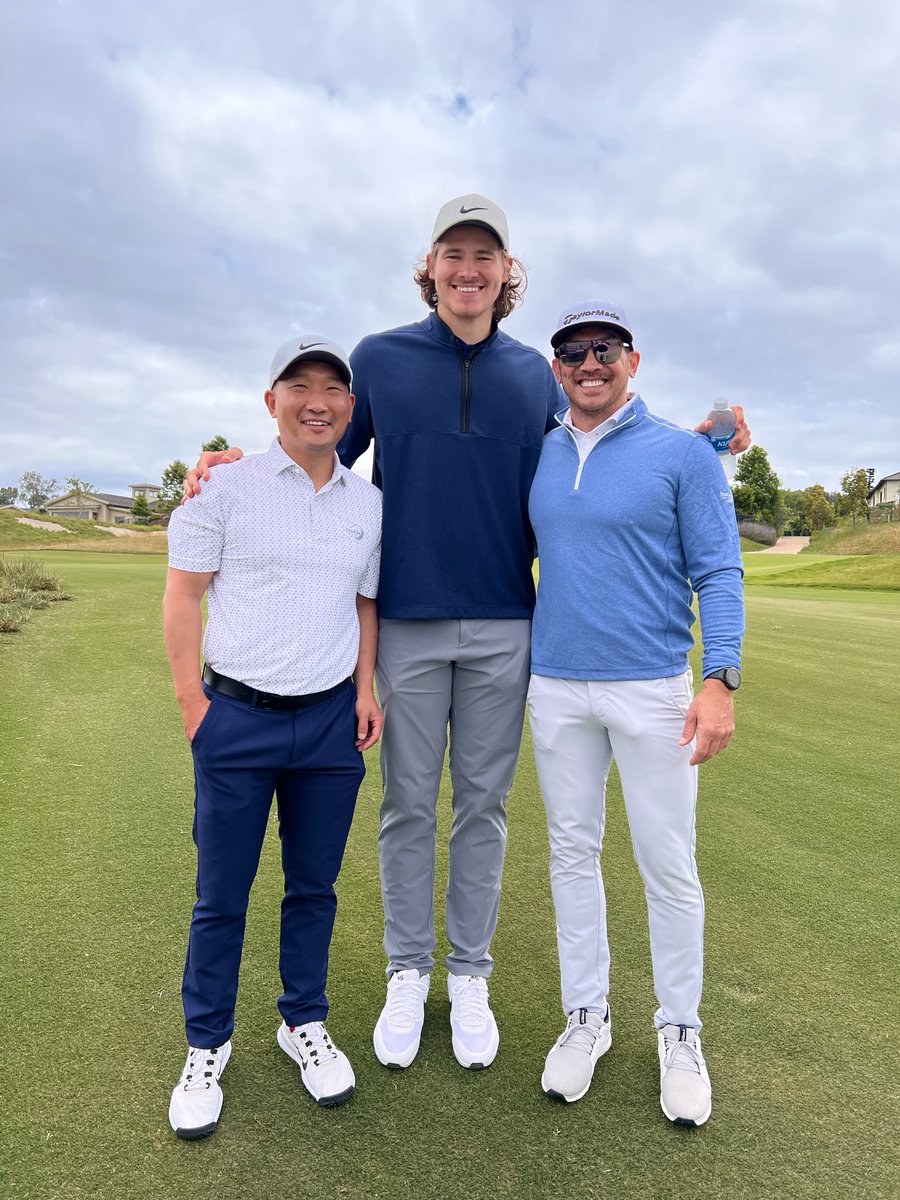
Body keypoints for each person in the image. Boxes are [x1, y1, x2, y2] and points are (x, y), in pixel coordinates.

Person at [184, 196, 750, 1076]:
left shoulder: (537, 372)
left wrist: (710, 435)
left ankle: (469, 973)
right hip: (405, 619)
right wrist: (228, 461)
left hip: (504, 624)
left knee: (481, 809)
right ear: (432, 265)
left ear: (506, 272)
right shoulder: (377, 358)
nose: (469, 268)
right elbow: (321, 443)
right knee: (408, 805)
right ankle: (409, 970)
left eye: (486, 254)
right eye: (454, 252)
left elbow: (603, 430)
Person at [527, 300, 744, 1127]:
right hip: (556, 686)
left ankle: (679, 1029)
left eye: (605, 348)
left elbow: (718, 571)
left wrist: (719, 678)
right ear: (557, 369)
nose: (590, 362)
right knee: (573, 855)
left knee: (667, 863)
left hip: (653, 686)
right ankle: (587, 1017)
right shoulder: (539, 447)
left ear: (632, 359)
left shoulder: (683, 455)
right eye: (573, 351)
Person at [163, 335, 382, 1139]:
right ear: (271, 402)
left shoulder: (369, 503)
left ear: (350, 409)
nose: (316, 399)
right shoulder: (223, 488)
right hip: (237, 719)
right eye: (299, 385)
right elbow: (184, 599)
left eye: (332, 388)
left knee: (313, 888)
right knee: (220, 896)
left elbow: (365, 603)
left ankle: (302, 1022)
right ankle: (206, 1041)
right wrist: (195, 707)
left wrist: (364, 690)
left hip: (328, 724)